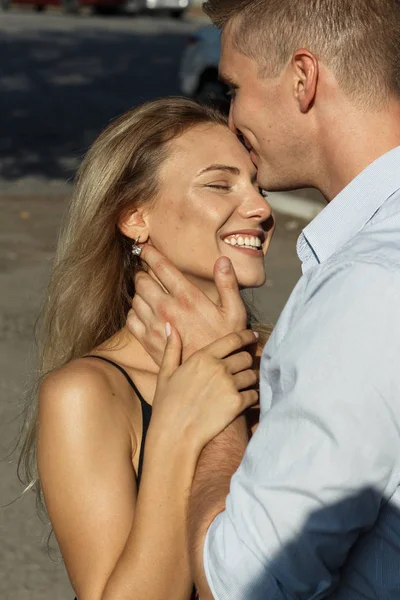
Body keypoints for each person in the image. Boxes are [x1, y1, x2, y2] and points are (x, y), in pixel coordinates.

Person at [125, 0, 400, 598]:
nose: (231, 115)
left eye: (234, 87)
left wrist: (214, 381)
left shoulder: (369, 284)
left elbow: (247, 579)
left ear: (303, 79)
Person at [17, 98, 275, 599]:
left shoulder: (286, 356)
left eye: (257, 184)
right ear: (135, 218)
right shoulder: (88, 392)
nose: (261, 208)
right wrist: (177, 431)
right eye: (220, 184)